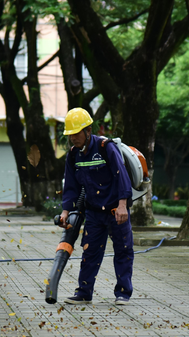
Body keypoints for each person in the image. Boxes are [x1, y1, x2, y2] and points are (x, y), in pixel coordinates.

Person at [58, 108, 134, 305]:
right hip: (93, 212)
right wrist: (66, 211)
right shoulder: (74, 155)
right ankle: (84, 292)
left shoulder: (104, 147)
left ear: (88, 130)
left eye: (76, 133)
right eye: (70, 135)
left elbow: (121, 176)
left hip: (115, 209)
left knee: (123, 250)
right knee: (90, 251)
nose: (73, 138)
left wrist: (123, 205)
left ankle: (123, 293)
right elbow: (71, 186)